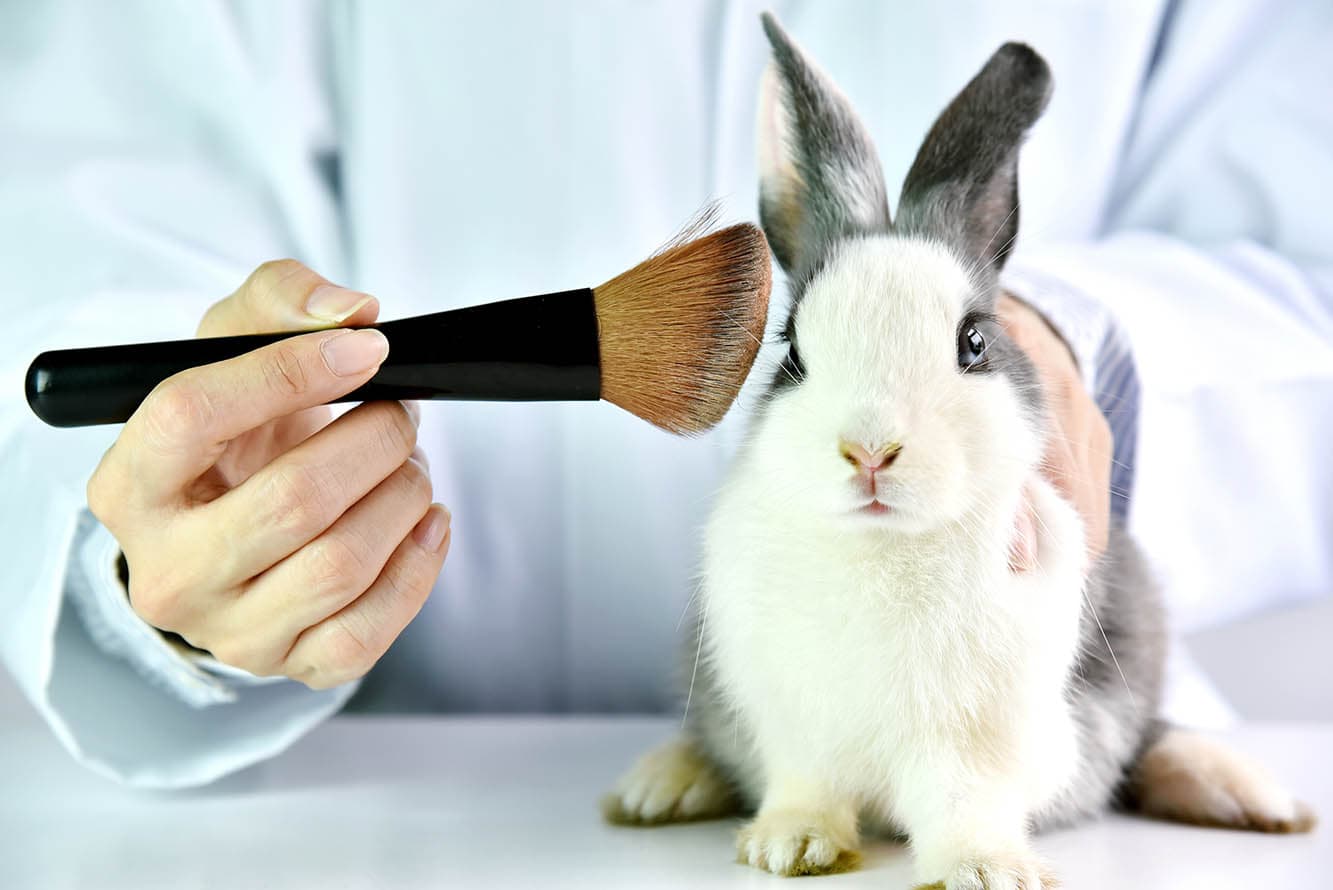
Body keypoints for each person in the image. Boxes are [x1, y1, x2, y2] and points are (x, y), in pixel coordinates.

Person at [1, 1, 1329, 789]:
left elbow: (1303, 266)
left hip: (997, 759)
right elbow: (84, 232)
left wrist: (1029, 355)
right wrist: (170, 523)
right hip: (389, 810)